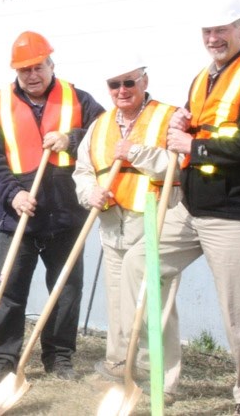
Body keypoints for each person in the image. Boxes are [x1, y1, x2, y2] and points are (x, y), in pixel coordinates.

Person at [122, 0, 240, 416]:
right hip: (192, 207)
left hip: (237, 213)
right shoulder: (203, 77)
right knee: (140, 263)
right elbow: (203, 121)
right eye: (207, 31)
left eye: (222, 30)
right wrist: (182, 119)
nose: (214, 38)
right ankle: (158, 376)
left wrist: (193, 145)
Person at [0, 31, 104, 386]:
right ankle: (3, 357)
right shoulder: (0, 105)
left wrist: (72, 139)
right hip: (18, 214)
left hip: (66, 216)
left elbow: (107, 138)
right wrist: (12, 194)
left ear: (51, 64)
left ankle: (59, 356)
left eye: (38, 67)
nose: (32, 75)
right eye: (24, 70)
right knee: (8, 290)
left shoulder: (79, 99)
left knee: (66, 290)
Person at [72, 56, 182, 403]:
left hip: (152, 219)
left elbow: (176, 166)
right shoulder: (101, 123)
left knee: (154, 300)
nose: (122, 90)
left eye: (129, 82)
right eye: (114, 84)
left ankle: (161, 378)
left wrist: (135, 152)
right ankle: (120, 364)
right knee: (118, 298)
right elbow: (83, 169)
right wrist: (89, 192)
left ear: (144, 81)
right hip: (111, 223)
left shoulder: (168, 117)